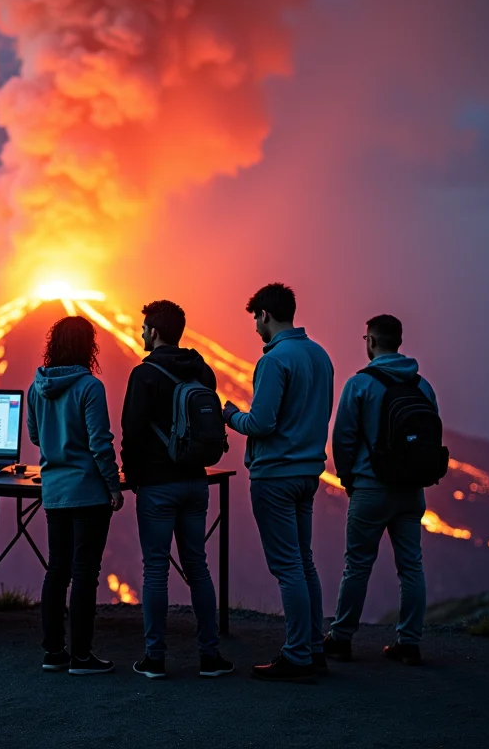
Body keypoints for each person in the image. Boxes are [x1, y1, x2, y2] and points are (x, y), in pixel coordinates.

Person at [223, 283, 333, 682]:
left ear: (265, 315)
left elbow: (261, 422)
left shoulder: (274, 360)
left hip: (275, 476)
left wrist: (230, 416)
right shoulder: (320, 356)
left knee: (288, 567)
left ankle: (297, 655)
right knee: (304, 561)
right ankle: (313, 648)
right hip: (308, 473)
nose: (256, 327)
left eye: (255, 319)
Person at [121, 300, 235, 680]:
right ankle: (210, 657)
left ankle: (155, 658)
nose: (141, 334)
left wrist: (132, 476)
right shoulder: (201, 370)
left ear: (154, 332)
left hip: (157, 485)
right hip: (196, 481)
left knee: (156, 569)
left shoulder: (144, 374)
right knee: (198, 566)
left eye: (144, 328)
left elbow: (132, 431)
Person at [325, 315, 438, 666]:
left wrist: (348, 479)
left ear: (371, 341)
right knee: (411, 566)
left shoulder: (360, 384)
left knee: (357, 566)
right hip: (411, 491)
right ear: (399, 341)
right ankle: (409, 643)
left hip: (370, 488)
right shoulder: (423, 386)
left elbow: (343, 438)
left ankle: (341, 639)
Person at [26, 316, 124, 676]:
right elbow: (100, 443)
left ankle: (53, 652)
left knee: (57, 570)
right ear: (88, 346)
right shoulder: (90, 387)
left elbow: (35, 436)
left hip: (54, 492)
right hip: (88, 492)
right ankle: (82, 656)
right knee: (85, 572)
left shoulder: (36, 388)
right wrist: (113, 486)